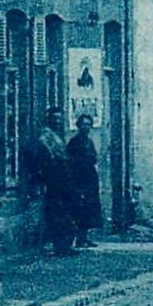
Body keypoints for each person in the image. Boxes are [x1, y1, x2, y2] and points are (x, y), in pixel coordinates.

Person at [31, 109, 73, 256]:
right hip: (54, 181)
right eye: (55, 119)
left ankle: (64, 246)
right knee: (57, 213)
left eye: (60, 119)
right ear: (49, 120)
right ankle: (60, 246)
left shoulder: (56, 137)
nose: (58, 122)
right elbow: (45, 161)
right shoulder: (45, 138)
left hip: (61, 180)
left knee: (63, 213)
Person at [65, 113, 102, 250]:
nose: (86, 127)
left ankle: (84, 237)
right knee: (79, 209)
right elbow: (71, 162)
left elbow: (93, 158)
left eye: (88, 124)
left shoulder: (89, 141)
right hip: (79, 180)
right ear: (79, 126)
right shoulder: (75, 142)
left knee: (88, 209)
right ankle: (77, 238)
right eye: (83, 124)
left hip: (89, 179)